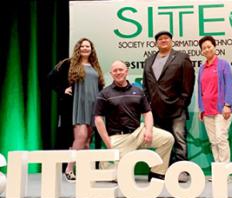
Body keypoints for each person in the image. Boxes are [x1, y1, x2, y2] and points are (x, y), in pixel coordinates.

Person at [94, 60, 174, 181]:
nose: (118, 72)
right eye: (115, 71)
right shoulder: (104, 93)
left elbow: (147, 113)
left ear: (126, 71)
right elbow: (98, 119)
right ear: (111, 74)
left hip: (138, 133)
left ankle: (157, 172)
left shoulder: (138, 91)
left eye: (121, 70)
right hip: (118, 138)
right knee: (118, 177)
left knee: (167, 138)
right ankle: (106, 167)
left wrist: (149, 130)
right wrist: (108, 143)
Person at [143, 31, 195, 182]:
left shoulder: (181, 57)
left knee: (179, 140)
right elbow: (146, 85)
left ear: (171, 41)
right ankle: (161, 171)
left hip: (176, 108)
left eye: (166, 38)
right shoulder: (149, 60)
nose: (163, 40)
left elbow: (188, 83)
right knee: (162, 142)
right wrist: (148, 103)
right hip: (156, 110)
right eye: (160, 39)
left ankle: (181, 171)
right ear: (156, 43)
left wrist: (182, 102)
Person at [56, 38, 105, 183]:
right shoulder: (69, 64)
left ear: (91, 49)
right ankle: (69, 169)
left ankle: (84, 170)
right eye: (82, 46)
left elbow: (99, 85)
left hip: (93, 105)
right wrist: (63, 89)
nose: (85, 48)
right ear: (78, 48)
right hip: (78, 105)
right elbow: (51, 78)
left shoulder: (95, 66)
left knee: (87, 141)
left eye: (87, 46)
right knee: (81, 136)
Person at [197, 36, 232, 168]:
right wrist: (201, 109)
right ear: (201, 51)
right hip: (207, 111)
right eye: (204, 48)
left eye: (209, 46)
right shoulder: (201, 68)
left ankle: (225, 171)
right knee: (213, 141)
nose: (206, 49)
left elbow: (229, 85)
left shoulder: (223, 64)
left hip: (221, 110)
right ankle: (218, 171)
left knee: (221, 139)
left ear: (214, 47)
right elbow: (200, 90)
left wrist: (227, 105)